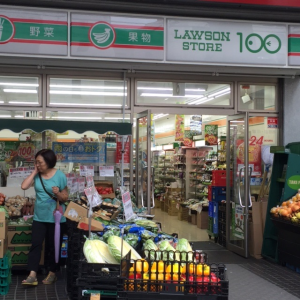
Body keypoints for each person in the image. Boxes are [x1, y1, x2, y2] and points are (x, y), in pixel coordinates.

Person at [21, 149, 68, 286]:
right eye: (36, 162)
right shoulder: (37, 175)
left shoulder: (60, 176)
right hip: (39, 217)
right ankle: (32, 274)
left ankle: (52, 273)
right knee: (35, 244)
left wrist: (58, 193)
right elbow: (24, 186)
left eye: (39, 162)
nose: (37, 164)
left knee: (54, 246)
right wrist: (34, 171)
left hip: (56, 219)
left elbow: (65, 197)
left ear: (48, 162)